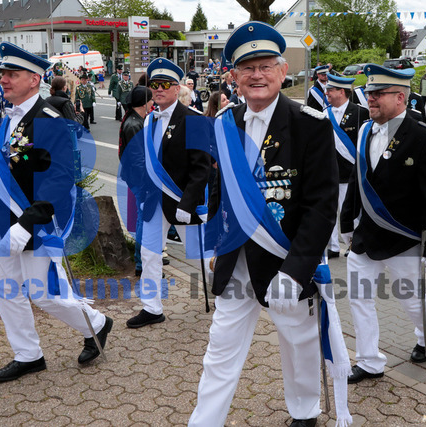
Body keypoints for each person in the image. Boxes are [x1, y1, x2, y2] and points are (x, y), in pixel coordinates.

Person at [189, 21, 338, 427]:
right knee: (220, 348)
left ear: (283, 70)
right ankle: (205, 421)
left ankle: (304, 412)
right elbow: (219, 191)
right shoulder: (224, 123)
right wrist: (215, 246)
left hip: (285, 260)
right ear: (234, 77)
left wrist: (296, 269)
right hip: (236, 260)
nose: (257, 75)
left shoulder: (311, 124)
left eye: (266, 66)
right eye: (247, 68)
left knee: (298, 343)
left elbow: (321, 206)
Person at [0, 42, 112, 383]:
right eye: (2, 73)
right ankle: (28, 355)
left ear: (34, 79)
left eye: (12, 74)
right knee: (5, 289)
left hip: (36, 222)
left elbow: (59, 179)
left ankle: (96, 323)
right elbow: (6, 169)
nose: (3, 79)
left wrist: (26, 223)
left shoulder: (49, 120)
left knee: (44, 294)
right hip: (4, 221)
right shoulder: (10, 117)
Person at [340, 64, 426, 384]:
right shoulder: (364, 131)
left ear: (400, 97)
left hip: (402, 236)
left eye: (378, 94)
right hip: (365, 236)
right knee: (358, 298)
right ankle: (369, 361)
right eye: (369, 93)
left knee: (410, 298)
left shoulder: (424, 137)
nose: (370, 99)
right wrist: (346, 221)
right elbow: (358, 180)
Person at [126, 58, 211, 329]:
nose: (159, 89)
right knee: (150, 253)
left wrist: (188, 203)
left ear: (177, 88)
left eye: (165, 84)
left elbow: (201, 169)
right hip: (154, 200)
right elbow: (147, 162)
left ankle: (221, 294)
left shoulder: (194, 120)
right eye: (155, 85)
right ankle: (152, 307)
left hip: (182, 201)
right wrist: (143, 195)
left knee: (201, 254)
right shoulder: (150, 119)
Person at [323, 73, 369, 259]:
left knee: (350, 212)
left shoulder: (360, 113)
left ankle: (353, 243)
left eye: (330, 90)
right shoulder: (324, 113)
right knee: (329, 213)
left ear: (341, 92)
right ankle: (333, 246)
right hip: (329, 173)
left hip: (349, 174)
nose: (326, 93)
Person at [118, 86, 155, 277]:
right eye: (151, 100)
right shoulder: (134, 124)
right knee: (144, 220)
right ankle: (141, 263)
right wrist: (147, 184)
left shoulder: (138, 120)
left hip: (139, 177)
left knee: (144, 218)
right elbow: (137, 159)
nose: (153, 103)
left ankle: (143, 261)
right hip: (140, 179)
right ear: (144, 103)